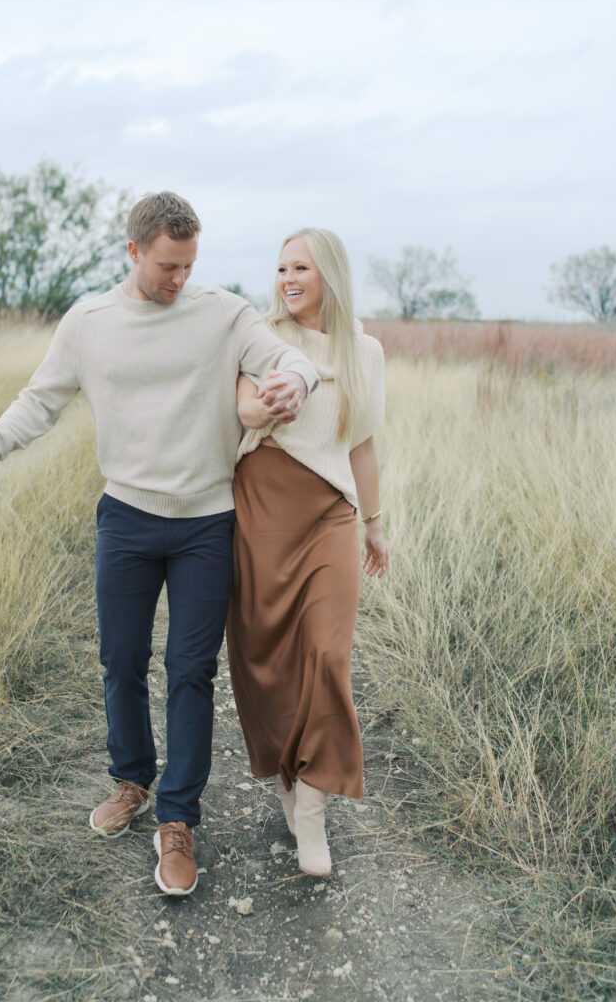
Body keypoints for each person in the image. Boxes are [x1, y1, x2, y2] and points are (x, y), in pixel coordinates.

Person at [0, 191, 320, 897]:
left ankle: (177, 821)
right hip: (126, 516)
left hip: (207, 521)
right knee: (120, 660)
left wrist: (292, 385)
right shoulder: (89, 322)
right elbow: (40, 401)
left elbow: (289, 360)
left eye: (188, 265)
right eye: (167, 265)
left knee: (188, 670)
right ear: (134, 252)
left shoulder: (223, 312)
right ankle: (131, 781)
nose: (178, 278)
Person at [226, 227, 388, 877]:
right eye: (281, 267)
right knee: (266, 660)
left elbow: (362, 444)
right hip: (260, 506)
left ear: (330, 276)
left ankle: (314, 815)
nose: (287, 278)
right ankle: (289, 786)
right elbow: (240, 410)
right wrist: (270, 395)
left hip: (329, 512)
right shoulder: (259, 336)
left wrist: (374, 524)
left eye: (301, 267)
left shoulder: (365, 352)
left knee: (326, 654)